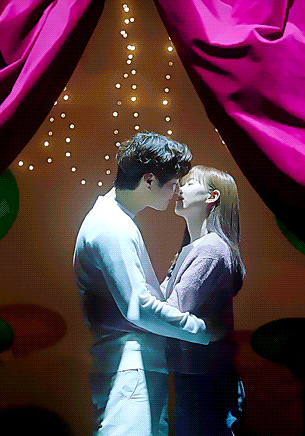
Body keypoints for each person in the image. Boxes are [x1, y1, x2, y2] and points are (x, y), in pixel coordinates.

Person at [73, 132, 211, 436]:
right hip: (130, 365)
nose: (177, 191)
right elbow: (138, 308)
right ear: (148, 180)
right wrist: (202, 331)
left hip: (133, 363)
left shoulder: (114, 220)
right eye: (173, 183)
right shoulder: (113, 225)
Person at [156, 165, 246, 436]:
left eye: (189, 183)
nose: (179, 189)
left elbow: (170, 309)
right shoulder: (194, 248)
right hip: (198, 376)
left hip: (207, 381)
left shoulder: (212, 249)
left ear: (212, 196)